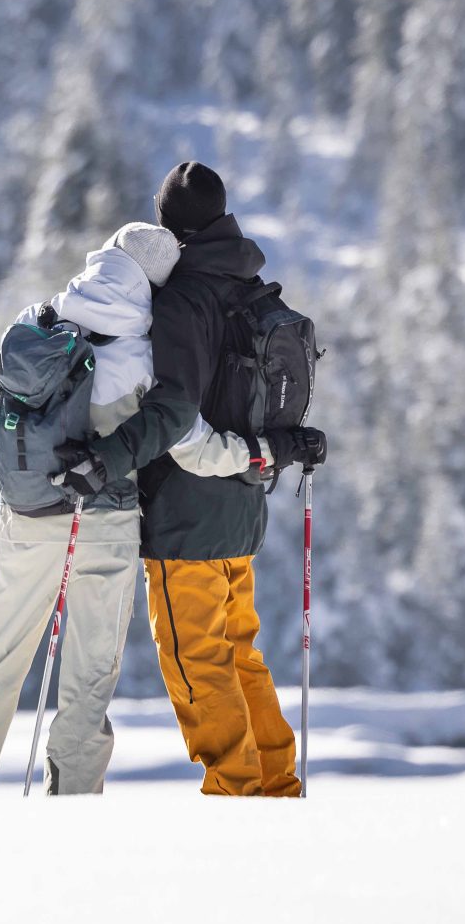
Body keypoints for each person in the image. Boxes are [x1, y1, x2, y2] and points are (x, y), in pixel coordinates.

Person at [0, 222, 255, 798]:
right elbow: (194, 447)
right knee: (88, 679)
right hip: (103, 525)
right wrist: (255, 456)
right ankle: (72, 805)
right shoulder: (143, 353)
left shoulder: (35, 322)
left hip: (25, 518)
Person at [79, 162, 327, 797]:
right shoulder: (249, 284)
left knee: (197, 664)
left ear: (170, 224)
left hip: (186, 516)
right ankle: (275, 787)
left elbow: (174, 413)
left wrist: (108, 457)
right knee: (240, 653)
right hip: (243, 506)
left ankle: (237, 799)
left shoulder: (185, 298)